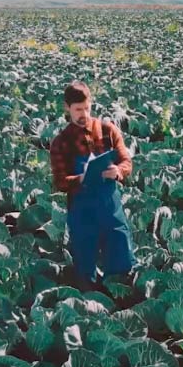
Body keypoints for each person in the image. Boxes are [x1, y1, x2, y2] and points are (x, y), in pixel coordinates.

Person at [49, 81, 137, 291]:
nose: (84, 114)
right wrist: (81, 178)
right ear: (67, 108)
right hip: (82, 211)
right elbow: (60, 181)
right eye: (78, 109)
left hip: (110, 209)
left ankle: (120, 300)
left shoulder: (108, 131)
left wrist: (118, 171)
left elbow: (126, 161)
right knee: (84, 266)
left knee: (120, 259)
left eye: (87, 108)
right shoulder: (61, 142)